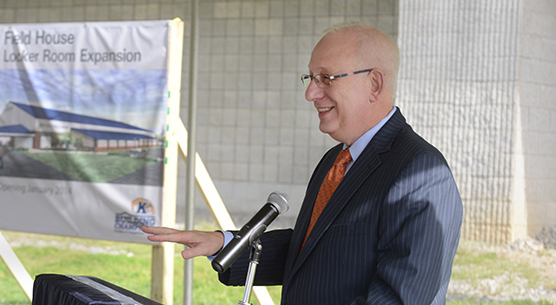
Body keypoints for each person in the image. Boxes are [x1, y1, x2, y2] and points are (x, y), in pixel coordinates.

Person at [142, 22, 463, 304]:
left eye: (326, 78)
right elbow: (312, 251)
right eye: (310, 77)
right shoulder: (334, 160)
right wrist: (226, 243)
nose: (310, 93)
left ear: (374, 84)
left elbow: (400, 298)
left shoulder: (421, 173)